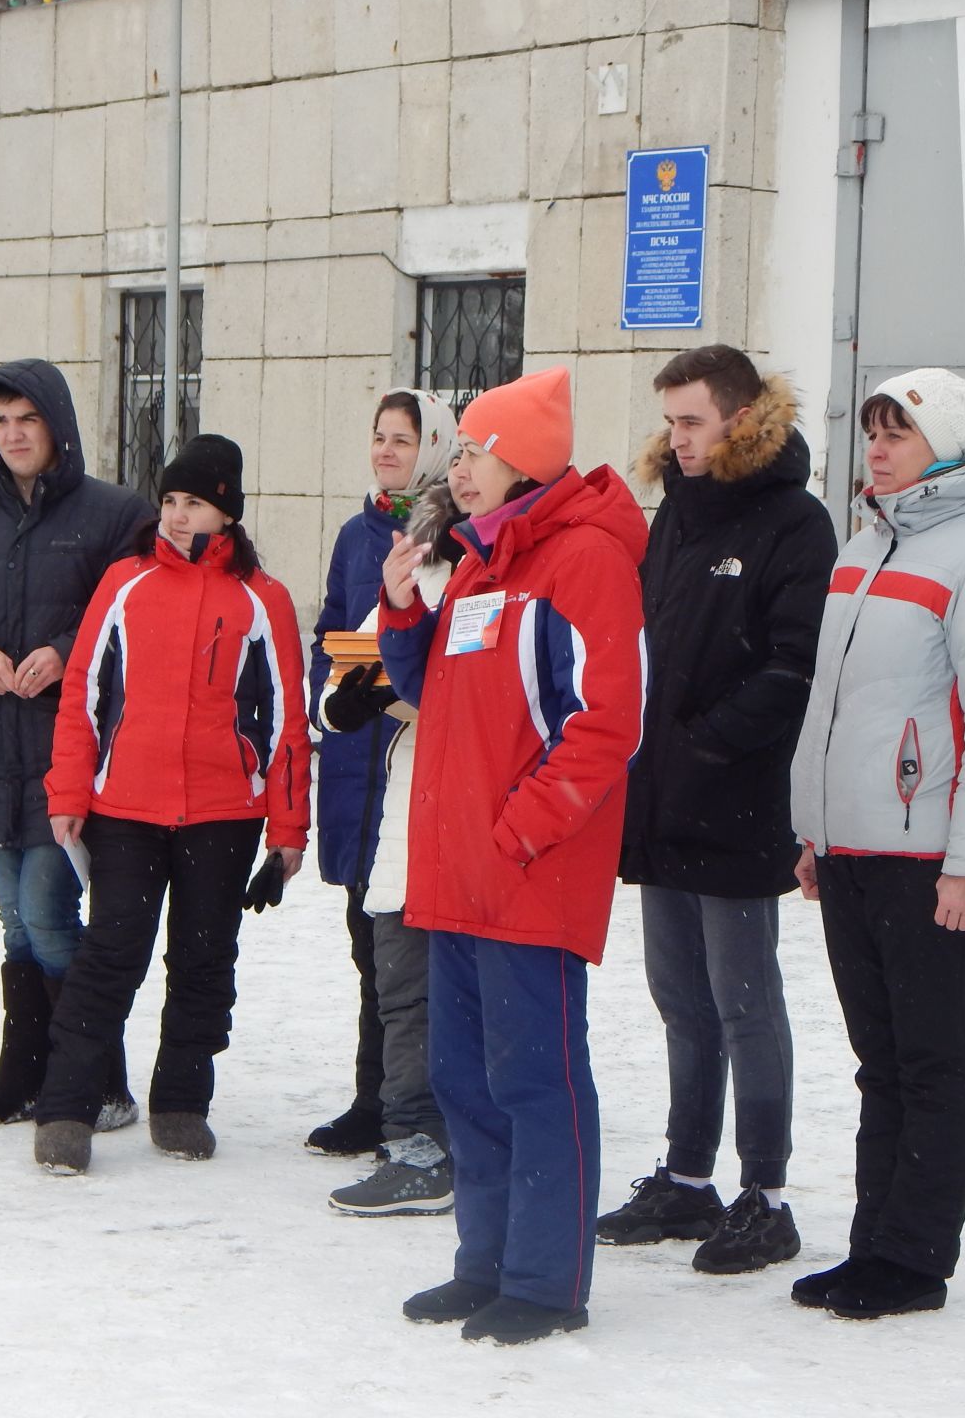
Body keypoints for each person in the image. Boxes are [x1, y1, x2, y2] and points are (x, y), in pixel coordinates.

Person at [378, 367, 648, 1344]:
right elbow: (436, 697)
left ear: (525, 459)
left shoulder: (583, 560)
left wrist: (522, 829)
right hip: (456, 873)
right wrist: (406, 611)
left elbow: (610, 723)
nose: (460, 470)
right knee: (465, 1078)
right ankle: (485, 1262)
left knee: (535, 1078)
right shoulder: (487, 561)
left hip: (526, 872)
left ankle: (544, 1281)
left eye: (476, 452)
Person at [788, 367, 965, 1319]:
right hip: (853, 851)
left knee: (931, 1061)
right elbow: (832, 707)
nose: (878, 448)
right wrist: (814, 830)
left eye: (899, 434)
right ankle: (872, 1245)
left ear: (950, 446)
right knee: (878, 1061)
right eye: (874, 432)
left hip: (927, 856)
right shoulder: (861, 548)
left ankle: (915, 1256)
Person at [601, 344, 836, 1273]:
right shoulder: (677, 519)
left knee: (745, 1003)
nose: (677, 439)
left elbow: (795, 663)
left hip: (737, 800)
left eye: (692, 420)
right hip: (662, 797)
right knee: (680, 1000)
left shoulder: (795, 521)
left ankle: (766, 1194)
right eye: (670, 422)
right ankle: (688, 1179)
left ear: (743, 418)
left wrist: (709, 742)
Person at [30, 435, 311, 1175]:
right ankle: (66, 1110)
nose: (178, 516)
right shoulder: (124, 583)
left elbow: (287, 722)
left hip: (225, 812)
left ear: (226, 512)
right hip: (125, 806)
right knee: (110, 955)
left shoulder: (264, 600)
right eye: (171, 502)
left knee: (204, 959)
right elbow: (83, 693)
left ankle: (182, 1102)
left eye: (195, 503)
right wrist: (68, 791)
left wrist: (288, 828)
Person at [0, 359, 153, 1129]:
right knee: (15, 920)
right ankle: (23, 1072)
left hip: (70, 750)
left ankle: (96, 1078)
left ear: (56, 423)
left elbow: (135, 612)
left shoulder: (115, 514)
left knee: (49, 913)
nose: (13, 435)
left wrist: (63, 648)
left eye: (27, 419)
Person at [318, 392, 463, 1216]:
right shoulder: (359, 535)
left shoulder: (456, 542)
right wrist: (339, 691)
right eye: (377, 437)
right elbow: (344, 638)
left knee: (423, 966)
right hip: (367, 767)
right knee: (379, 949)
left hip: (431, 773)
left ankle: (424, 1129)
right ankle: (389, 1112)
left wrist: (387, 683)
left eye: (402, 440)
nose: (385, 451)